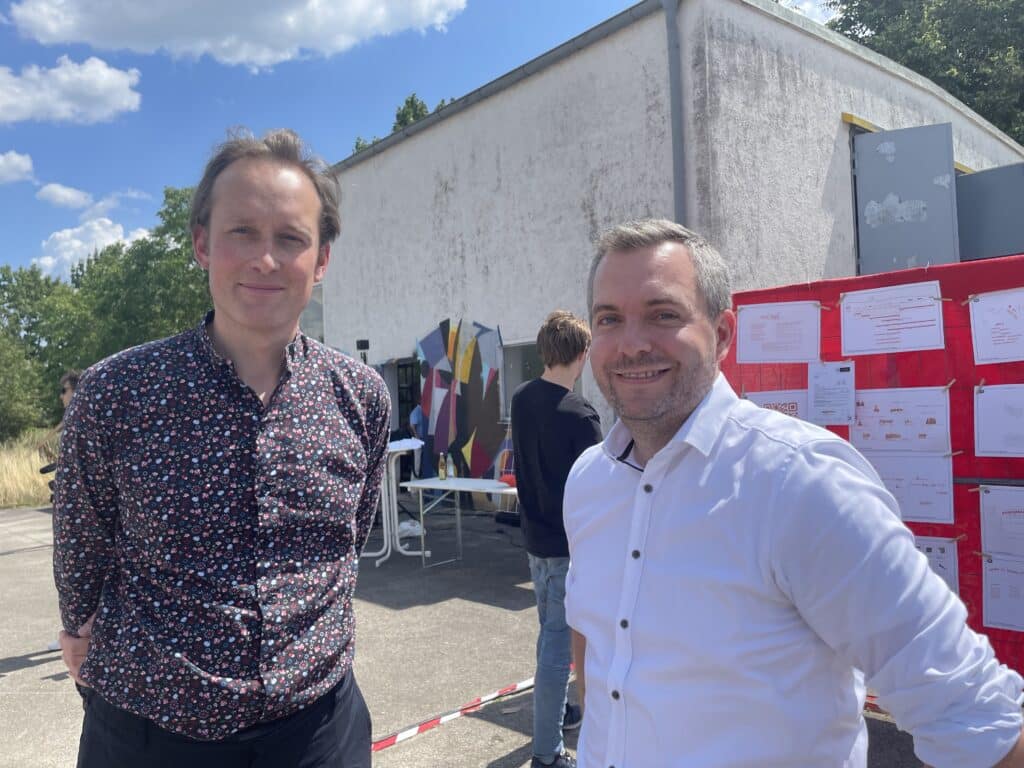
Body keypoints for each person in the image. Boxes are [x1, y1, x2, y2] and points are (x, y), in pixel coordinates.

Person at [564, 218, 1024, 768]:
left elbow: (974, 717)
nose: (631, 344)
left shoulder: (801, 482)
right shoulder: (590, 480)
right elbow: (594, 642)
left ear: (724, 334)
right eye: (608, 319)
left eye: (663, 314)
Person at [53, 128, 391, 768]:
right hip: (151, 735)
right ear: (203, 244)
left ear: (320, 261)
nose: (265, 259)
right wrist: (77, 630)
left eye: (290, 238)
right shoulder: (117, 394)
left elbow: (350, 538)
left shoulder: (362, 397)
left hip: (319, 732)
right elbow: (82, 543)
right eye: (242, 232)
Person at [512, 310, 603, 768]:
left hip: (535, 542)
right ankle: (547, 752)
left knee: (552, 637)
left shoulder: (521, 398)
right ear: (582, 354)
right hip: (570, 549)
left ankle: (561, 710)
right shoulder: (580, 414)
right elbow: (600, 488)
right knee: (556, 647)